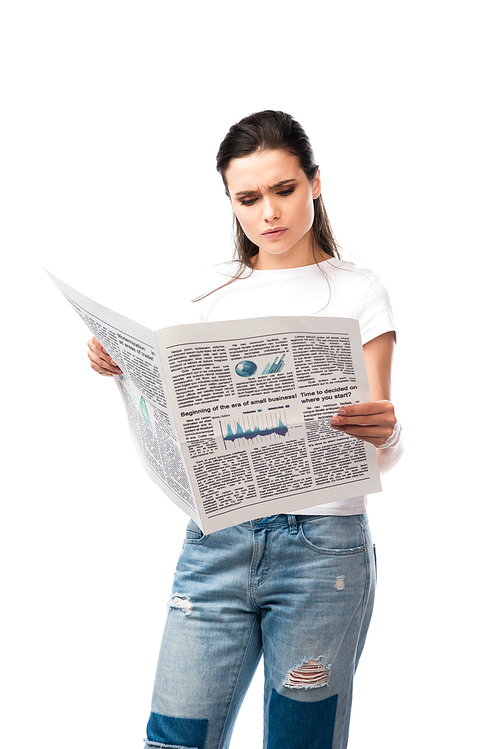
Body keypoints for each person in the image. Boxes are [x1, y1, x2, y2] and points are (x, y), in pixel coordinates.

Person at [87, 110, 402, 749]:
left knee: (300, 743)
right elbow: (178, 405)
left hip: (323, 552)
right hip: (215, 545)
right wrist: (118, 365)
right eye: (248, 198)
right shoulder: (207, 293)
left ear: (315, 182)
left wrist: (387, 434)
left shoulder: (359, 291)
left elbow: (381, 444)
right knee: (174, 739)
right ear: (230, 202)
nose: (269, 214)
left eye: (284, 190)